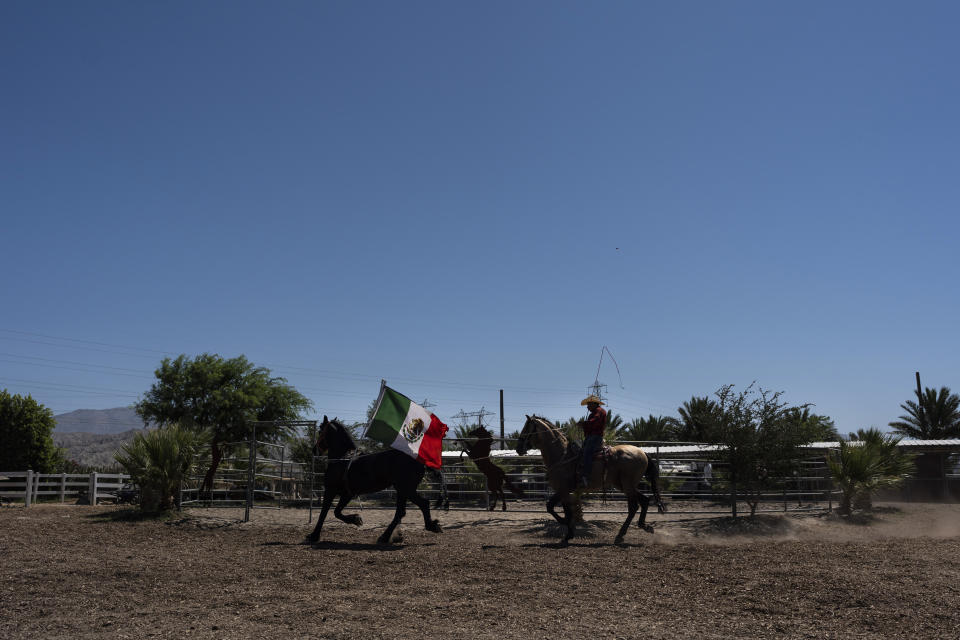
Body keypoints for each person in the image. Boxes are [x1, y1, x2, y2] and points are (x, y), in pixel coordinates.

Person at [577, 395, 607, 487]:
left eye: (589, 404)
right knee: (580, 452)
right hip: (591, 437)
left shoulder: (599, 411)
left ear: (594, 403)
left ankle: (586, 476)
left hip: (595, 437)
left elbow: (595, 422)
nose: (587, 406)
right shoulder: (593, 413)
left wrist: (583, 424)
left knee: (587, 453)